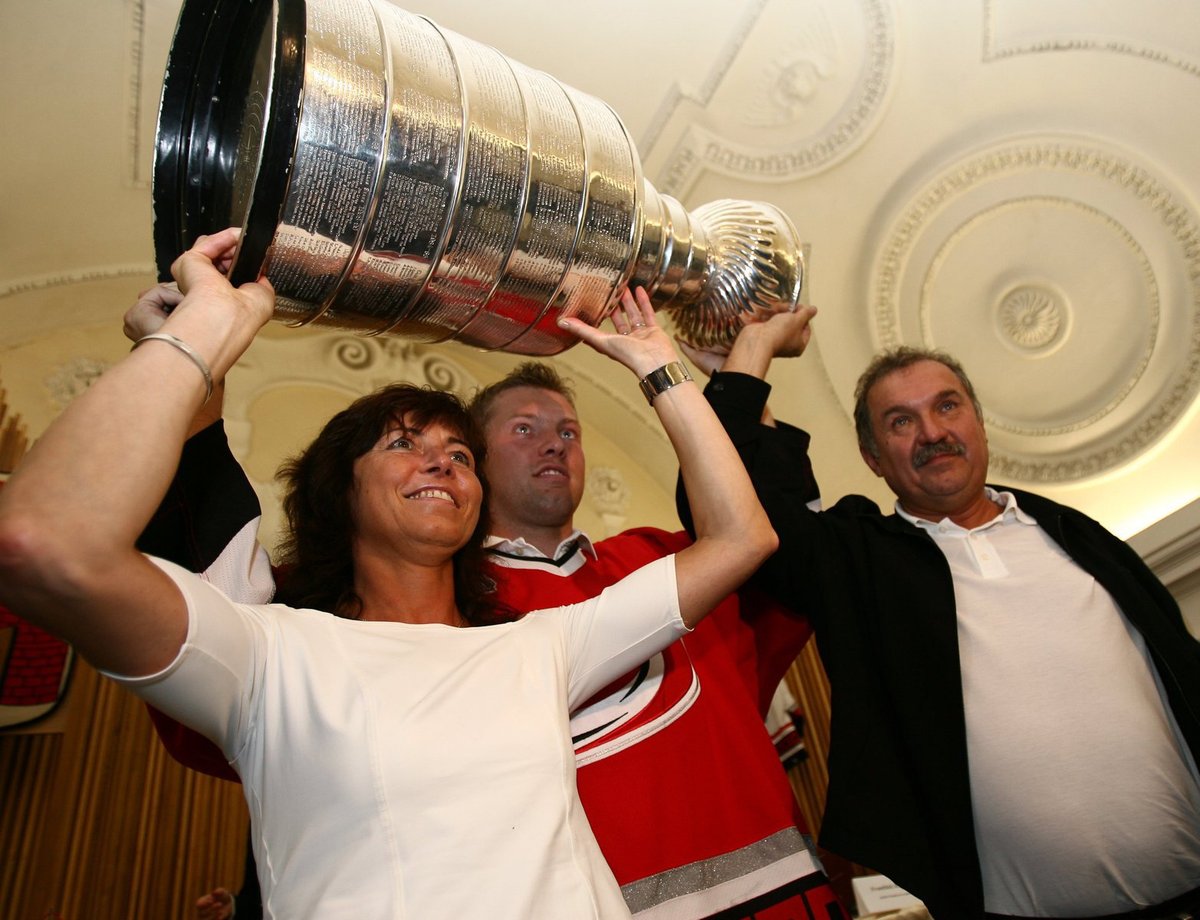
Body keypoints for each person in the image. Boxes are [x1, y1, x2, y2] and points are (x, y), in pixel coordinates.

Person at [0, 228, 778, 919]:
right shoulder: (267, 658)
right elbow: (45, 544)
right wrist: (199, 335)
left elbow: (740, 538)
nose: (442, 457)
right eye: (403, 443)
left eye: (461, 454)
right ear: (341, 491)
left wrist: (659, 367)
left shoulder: (539, 649)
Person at [127, 297, 847, 915]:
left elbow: (780, 547)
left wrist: (734, 377)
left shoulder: (657, 557)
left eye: (569, 430)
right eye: (523, 430)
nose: (555, 445)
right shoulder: (405, 609)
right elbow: (221, 604)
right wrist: (193, 356)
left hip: (786, 899)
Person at [686, 325, 1200, 919]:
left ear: (979, 423)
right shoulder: (864, 563)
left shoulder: (1078, 533)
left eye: (947, 406)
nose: (932, 432)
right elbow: (742, 519)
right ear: (872, 458)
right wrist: (749, 357)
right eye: (900, 422)